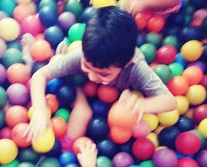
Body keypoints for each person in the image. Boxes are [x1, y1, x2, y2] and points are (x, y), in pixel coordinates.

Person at [23, 6, 177, 147]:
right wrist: (39, 110)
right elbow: (40, 75)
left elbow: (170, 101)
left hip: (112, 96)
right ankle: (31, 56)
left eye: (103, 73)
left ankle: (65, 147)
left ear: (126, 64)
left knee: (84, 110)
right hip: (77, 79)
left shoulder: (136, 67)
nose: (93, 76)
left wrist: (142, 106)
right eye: (88, 67)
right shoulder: (81, 56)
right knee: (57, 76)